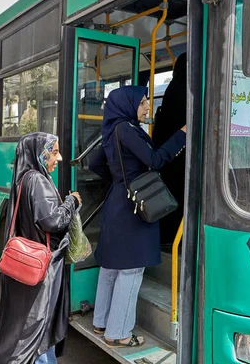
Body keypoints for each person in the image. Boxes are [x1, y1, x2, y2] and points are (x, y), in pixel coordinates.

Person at [89, 86, 186, 347]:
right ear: (128, 105)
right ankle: (118, 333)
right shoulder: (127, 129)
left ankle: (101, 322)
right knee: (131, 272)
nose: (147, 108)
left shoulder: (111, 130)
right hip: (133, 211)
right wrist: (181, 136)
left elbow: (95, 164)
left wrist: (121, 182)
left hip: (117, 205)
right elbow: (154, 161)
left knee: (111, 267)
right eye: (143, 102)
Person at [0, 132, 82, 364]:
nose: (58, 159)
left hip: (29, 267)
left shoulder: (24, 178)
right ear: (39, 154)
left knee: (29, 327)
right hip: (43, 271)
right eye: (54, 152)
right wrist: (72, 201)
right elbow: (51, 221)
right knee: (39, 328)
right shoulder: (37, 180)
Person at [152, 53, 187, 247]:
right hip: (178, 155)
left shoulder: (172, 90)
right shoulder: (187, 91)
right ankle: (177, 240)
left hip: (168, 157)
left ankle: (168, 237)